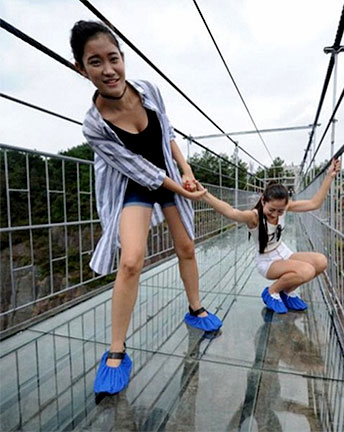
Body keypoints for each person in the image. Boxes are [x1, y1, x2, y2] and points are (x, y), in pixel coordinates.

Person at [70, 20, 222, 401]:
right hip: (132, 185)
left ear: (123, 59)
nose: (108, 70)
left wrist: (187, 172)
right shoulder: (93, 125)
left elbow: (167, 134)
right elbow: (139, 170)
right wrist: (185, 192)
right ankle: (117, 350)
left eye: (113, 58)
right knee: (132, 260)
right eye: (95, 62)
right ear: (81, 69)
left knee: (186, 247)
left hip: (169, 175)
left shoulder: (149, 89)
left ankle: (195, 309)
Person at [195, 159, 340, 314]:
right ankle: (271, 292)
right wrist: (205, 195)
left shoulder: (284, 207)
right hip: (267, 261)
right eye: (271, 210)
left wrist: (329, 176)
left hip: (284, 253)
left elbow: (314, 203)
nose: (275, 214)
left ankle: (286, 292)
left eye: (280, 211)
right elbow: (231, 212)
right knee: (307, 271)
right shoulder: (254, 217)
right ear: (263, 201)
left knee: (321, 262)